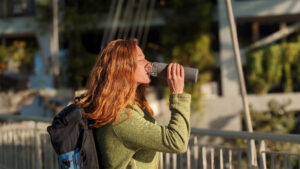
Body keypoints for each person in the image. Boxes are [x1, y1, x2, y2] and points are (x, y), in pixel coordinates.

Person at [75, 39, 191, 169]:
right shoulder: (122, 119)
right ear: (124, 68)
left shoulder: (128, 107)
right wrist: (177, 94)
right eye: (141, 59)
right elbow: (177, 142)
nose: (148, 63)